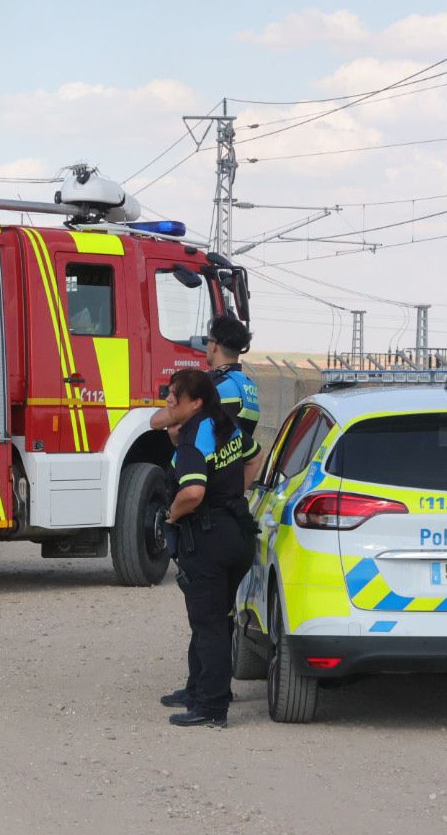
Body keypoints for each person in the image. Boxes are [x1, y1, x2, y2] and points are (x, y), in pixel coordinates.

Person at [156, 368, 255, 729]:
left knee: (208, 622)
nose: (168, 402)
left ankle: (212, 707)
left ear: (195, 402)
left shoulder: (194, 436)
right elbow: (254, 457)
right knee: (217, 619)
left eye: (174, 398)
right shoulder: (222, 420)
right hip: (237, 533)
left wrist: (171, 516)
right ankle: (200, 688)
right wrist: (230, 494)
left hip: (209, 539)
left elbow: (193, 492)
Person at [151, 312, 262, 488]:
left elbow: (156, 421)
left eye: (207, 341)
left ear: (215, 345)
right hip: (230, 482)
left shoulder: (212, 385)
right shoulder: (247, 386)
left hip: (198, 479)